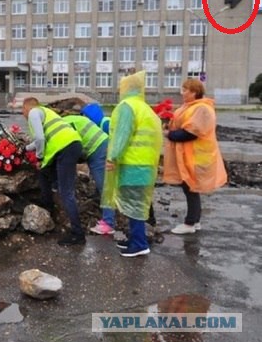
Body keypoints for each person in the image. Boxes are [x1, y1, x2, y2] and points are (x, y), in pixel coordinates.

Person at [101, 71, 162, 257]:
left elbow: (121, 135)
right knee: (136, 205)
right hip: (145, 166)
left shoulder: (127, 107)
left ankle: (139, 244)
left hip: (132, 165)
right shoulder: (145, 109)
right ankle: (136, 238)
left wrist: (112, 157)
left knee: (134, 206)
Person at [163, 79, 227, 234]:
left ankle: (190, 223)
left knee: (191, 187)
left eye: (185, 90)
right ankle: (195, 220)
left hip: (197, 156)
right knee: (190, 188)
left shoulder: (202, 109)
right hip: (190, 155)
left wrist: (170, 134)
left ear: (194, 92)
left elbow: (190, 133)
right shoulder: (191, 107)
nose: (182, 93)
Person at [22, 97, 86, 246]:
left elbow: (39, 138)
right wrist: (25, 149)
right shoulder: (46, 112)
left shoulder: (33, 113)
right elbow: (41, 139)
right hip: (71, 145)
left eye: (22, 110)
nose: (22, 114)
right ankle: (48, 204)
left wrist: (39, 157)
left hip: (65, 148)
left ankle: (78, 233)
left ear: (27, 107)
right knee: (44, 173)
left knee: (66, 192)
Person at [62, 114, 116, 235]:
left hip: (97, 149)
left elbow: (72, 148)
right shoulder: (69, 119)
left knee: (105, 187)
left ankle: (108, 223)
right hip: (101, 144)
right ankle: (102, 208)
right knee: (102, 184)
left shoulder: (63, 125)